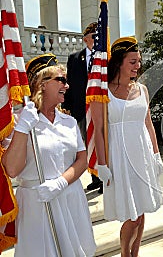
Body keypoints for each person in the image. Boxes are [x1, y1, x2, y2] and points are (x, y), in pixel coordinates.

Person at [1, 53, 96, 256]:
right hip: (37, 203)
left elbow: (82, 159)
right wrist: (22, 129)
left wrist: (60, 182)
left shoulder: (68, 121)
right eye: (61, 79)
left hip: (70, 196)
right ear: (43, 83)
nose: (67, 85)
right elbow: (11, 169)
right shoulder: (19, 122)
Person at [90, 36, 163, 257]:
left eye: (139, 61)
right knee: (131, 216)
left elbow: (148, 124)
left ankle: (135, 253)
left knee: (141, 212)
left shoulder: (142, 89)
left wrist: (156, 154)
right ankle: (125, 254)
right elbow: (100, 130)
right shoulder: (103, 92)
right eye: (132, 62)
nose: (138, 66)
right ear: (119, 62)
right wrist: (102, 164)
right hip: (120, 157)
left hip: (142, 156)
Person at [62, 22, 103, 193]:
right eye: (94, 36)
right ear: (86, 39)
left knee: (103, 142)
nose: (97, 39)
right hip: (80, 109)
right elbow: (69, 84)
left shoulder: (104, 58)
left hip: (101, 109)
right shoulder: (74, 58)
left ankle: (103, 178)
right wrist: (66, 106)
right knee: (86, 144)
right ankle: (94, 177)